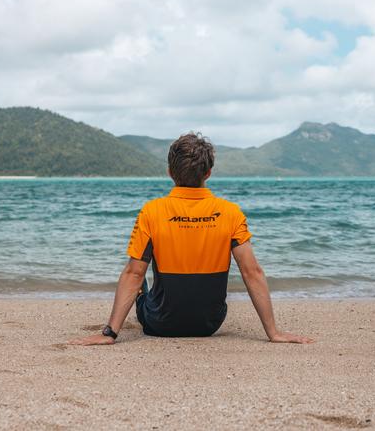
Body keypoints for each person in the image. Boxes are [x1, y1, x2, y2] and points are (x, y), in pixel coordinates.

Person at [68, 133, 314, 345]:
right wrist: (273, 333)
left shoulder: (152, 211)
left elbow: (134, 274)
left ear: (169, 172)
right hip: (210, 323)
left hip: (159, 325)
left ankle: (128, 318)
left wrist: (109, 334)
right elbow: (253, 272)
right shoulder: (230, 212)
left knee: (139, 277)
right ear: (208, 173)